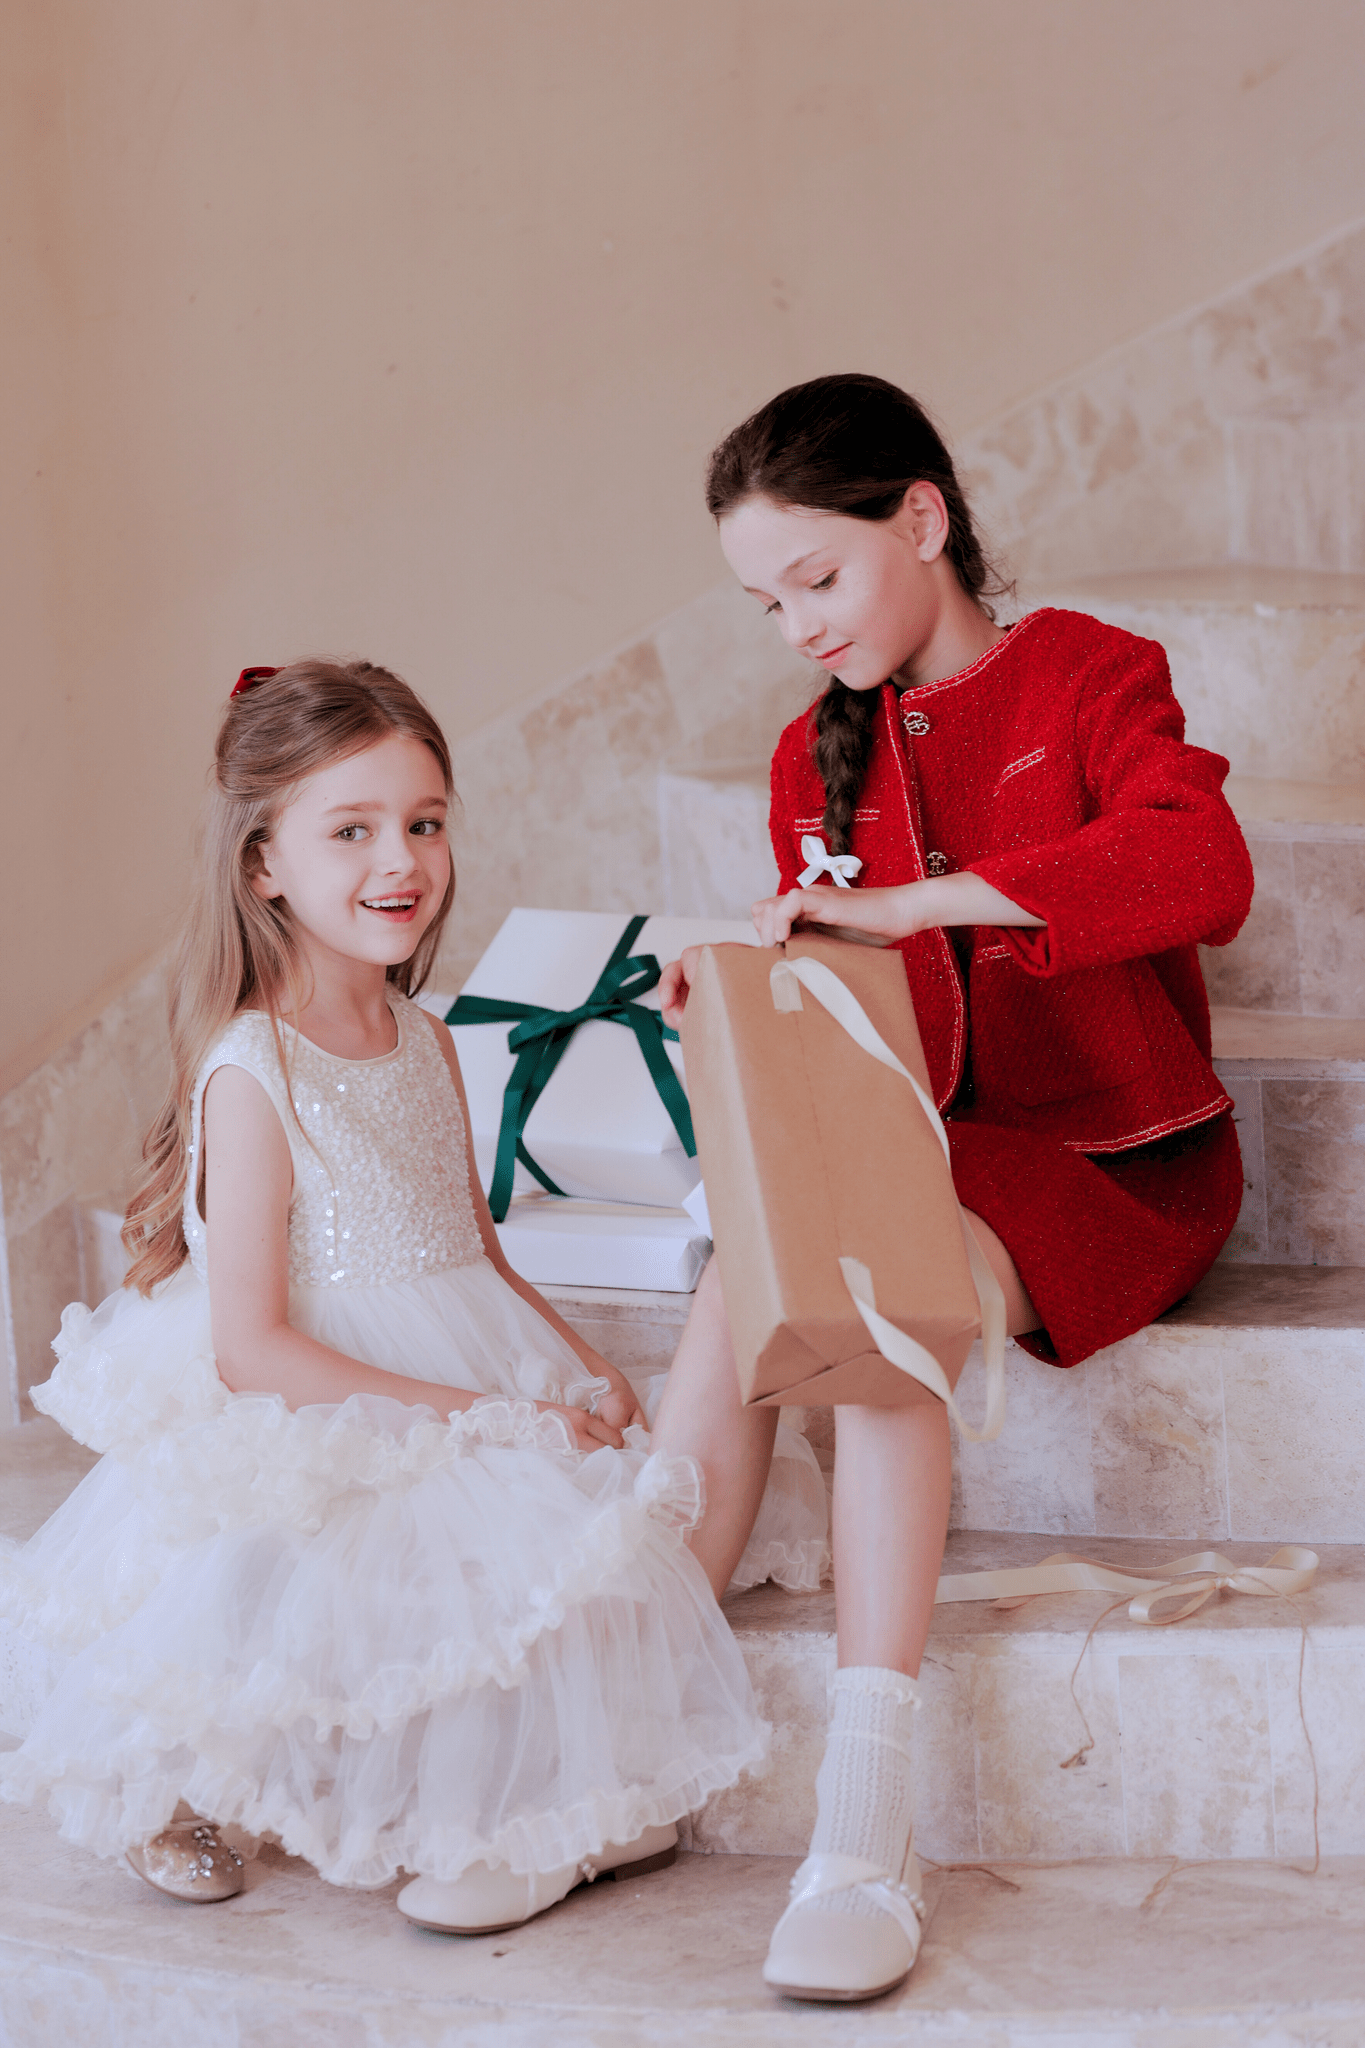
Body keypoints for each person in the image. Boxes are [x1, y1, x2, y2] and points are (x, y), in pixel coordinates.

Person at [0, 659, 826, 1931]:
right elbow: (253, 1348)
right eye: (353, 830)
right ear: (264, 865)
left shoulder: (427, 1035)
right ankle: (193, 1779)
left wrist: (579, 1365)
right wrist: (482, 1417)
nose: (402, 859)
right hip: (326, 1397)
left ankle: (582, 1793)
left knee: (613, 1523)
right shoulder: (254, 1066)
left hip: (462, 1348)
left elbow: (478, 1250)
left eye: (424, 821)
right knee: (380, 1568)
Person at [654, 373, 1253, 2002]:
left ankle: (865, 1827)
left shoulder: (1089, 672)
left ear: (920, 518)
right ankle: (619, 1739)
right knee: (742, 1284)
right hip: (915, 1148)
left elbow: (1202, 866)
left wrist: (921, 903)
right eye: (768, 602)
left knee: (879, 1300)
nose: (797, 626)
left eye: (817, 578)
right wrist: (749, 987)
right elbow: (861, 1039)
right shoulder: (808, 758)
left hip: (1109, 1165)